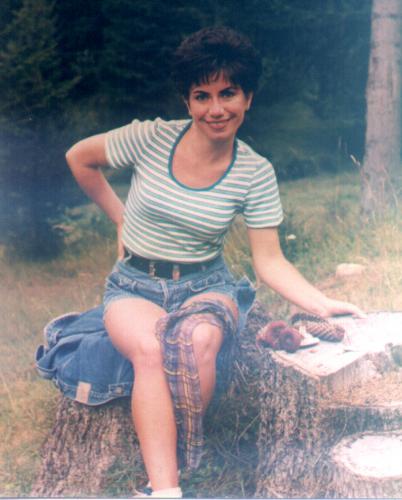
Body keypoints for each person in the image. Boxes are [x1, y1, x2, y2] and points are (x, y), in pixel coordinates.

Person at [65, 26, 363, 498]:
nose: (216, 108)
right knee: (152, 349)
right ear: (186, 101)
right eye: (202, 96)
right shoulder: (150, 139)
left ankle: (177, 460)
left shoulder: (254, 172)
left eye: (228, 93)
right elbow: (79, 158)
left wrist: (320, 303)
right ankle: (165, 490)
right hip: (134, 286)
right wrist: (120, 217)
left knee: (197, 340)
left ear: (248, 98)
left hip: (206, 285)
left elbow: (270, 261)